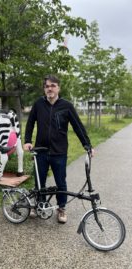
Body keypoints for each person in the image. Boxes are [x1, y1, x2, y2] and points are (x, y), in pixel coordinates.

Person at [24, 75, 94, 224]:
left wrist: (87, 145)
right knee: (39, 181)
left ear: (58, 88)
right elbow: (30, 123)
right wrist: (28, 141)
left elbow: (78, 126)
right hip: (40, 150)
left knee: (61, 183)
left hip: (59, 152)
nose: (50, 88)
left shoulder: (66, 106)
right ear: (44, 89)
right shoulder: (38, 104)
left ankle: (61, 208)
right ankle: (38, 205)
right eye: (47, 86)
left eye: (53, 85)